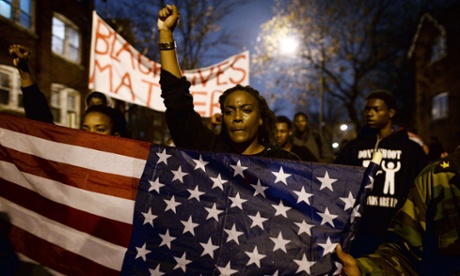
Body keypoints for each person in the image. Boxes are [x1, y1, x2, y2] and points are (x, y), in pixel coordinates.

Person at [157, 5, 299, 160]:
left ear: (260, 119)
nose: (237, 117)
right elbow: (177, 103)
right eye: (229, 112)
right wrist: (166, 33)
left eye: (246, 110)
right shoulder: (209, 150)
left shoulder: (285, 164)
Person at [336, 146, 460, 275]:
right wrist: (362, 270)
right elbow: (406, 254)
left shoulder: (412, 152)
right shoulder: (439, 175)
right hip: (362, 241)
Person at [334, 90, 429, 257]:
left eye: (376, 109)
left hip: (395, 232)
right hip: (359, 232)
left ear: (391, 112)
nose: (370, 114)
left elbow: (422, 188)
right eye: (367, 109)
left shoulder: (410, 150)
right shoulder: (354, 148)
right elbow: (337, 180)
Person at [8, 44, 131, 138]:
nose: (90, 135)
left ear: (116, 135)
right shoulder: (71, 153)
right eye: (85, 129)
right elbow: (41, 122)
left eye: (100, 130)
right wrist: (23, 70)